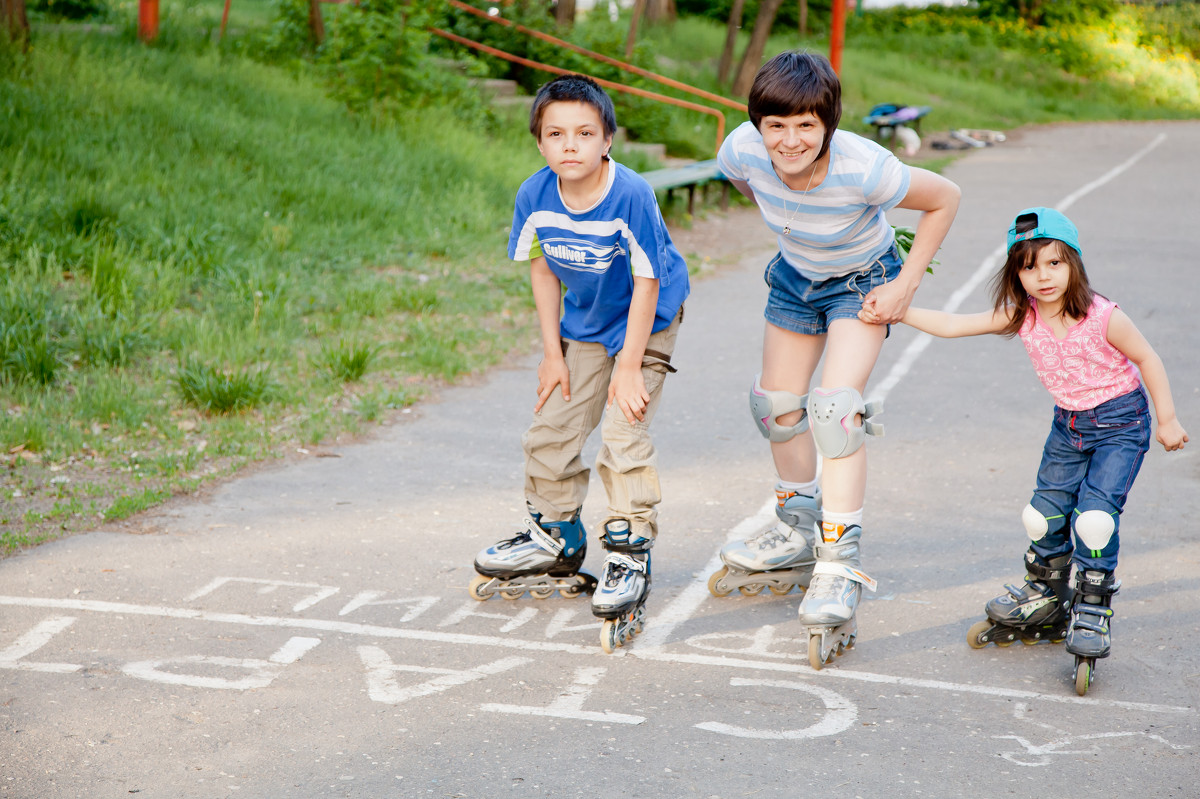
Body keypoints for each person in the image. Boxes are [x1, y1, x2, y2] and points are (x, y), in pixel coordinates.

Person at [710, 50, 961, 669]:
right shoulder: (742, 150)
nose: (789, 140)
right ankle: (797, 524)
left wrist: (904, 285)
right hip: (795, 280)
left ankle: (838, 563)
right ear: (757, 124)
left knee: (834, 410)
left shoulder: (865, 167)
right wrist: (787, 225)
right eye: (776, 126)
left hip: (861, 282)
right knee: (775, 406)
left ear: (827, 122)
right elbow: (749, 184)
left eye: (805, 126)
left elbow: (946, 196)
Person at [893, 206, 1187, 694]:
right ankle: (1048, 595)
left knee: (1094, 519)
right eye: (1029, 266)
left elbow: (1146, 356)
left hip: (1120, 424)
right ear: (1016, 273)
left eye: (1054, 263)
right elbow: (951, 324)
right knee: (1042, 516)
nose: (1042, 276)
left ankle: (1092, 606)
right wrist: (897, 309)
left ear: (1073, 263)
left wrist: (1168, 418)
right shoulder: (1020, 315)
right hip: (1068, 426)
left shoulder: (1102, 316)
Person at [468, 74, 690, 653]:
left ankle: (628, 551)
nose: (570, 144)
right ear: (540, 143)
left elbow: (648, 279)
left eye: (585, 133)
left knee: (623, 430)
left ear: (607, 140)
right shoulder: (534, 195)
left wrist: (628, 366)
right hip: (585, 324)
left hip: (649, 317)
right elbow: (541, 268)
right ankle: (556, 535)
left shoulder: (632, 195)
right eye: (556, 134)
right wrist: (552, 355)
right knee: (552, 427)